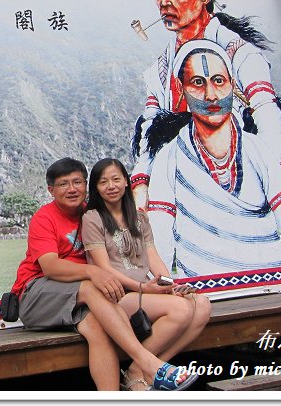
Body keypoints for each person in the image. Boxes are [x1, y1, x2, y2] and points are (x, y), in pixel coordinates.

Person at [11, 157, 198, 391]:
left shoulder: (93, 214)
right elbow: (50, 267)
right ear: (51, 190)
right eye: (63, 184)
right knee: (90, 286)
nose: (72, 189)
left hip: (76, 296)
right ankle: (149, 364)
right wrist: (92, 271)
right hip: (36, 294)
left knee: (98, 330)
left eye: (77, 182)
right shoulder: (44, 218)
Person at [130, 0, 281, 211]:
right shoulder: (159, 71)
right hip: (178, 191)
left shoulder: (241, 55)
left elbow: (271, 128)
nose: (164, 2)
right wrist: (142, 183)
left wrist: (250, 186)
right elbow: (151, 131)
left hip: (236, 187)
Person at [145, 40, 281, 277]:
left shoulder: (256, 149)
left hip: (270, 283)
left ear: (232, 83)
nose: (211, 95)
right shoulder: (169, 158)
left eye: (219, 81)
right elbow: (161, 232)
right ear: (182, 88)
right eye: (198, 82)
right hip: (203, 292)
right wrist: (164, 286)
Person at [82, 157, 211, 390]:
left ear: (126, 183)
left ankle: (138, 370)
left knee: (201, 305)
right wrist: (142, 287)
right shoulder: (93, 218)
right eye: (103, 182)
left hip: (146, 291)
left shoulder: (140, 218)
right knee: (181, 309)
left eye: (116, 179)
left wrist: (170, 285)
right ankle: (142, 368)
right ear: (96, 188)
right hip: (118, 295)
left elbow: (153, 258)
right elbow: (104, 269)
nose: (111, 186)